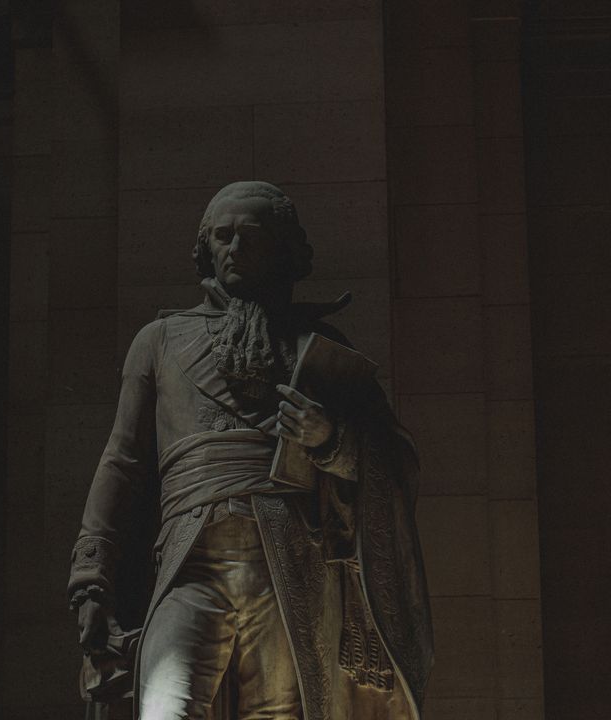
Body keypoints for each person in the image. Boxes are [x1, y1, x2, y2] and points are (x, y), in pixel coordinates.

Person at [68, 181, 433, 720]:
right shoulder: (160, 340)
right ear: (205, 247)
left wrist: (330, 439)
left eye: (251, 237)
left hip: (289, 567)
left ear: (283, 250)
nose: (234, 248)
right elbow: (121, 462)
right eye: (222, 235)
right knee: (162, 708)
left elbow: (397, 460)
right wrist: (90, 580)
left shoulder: (323, 352)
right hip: (190, 563)